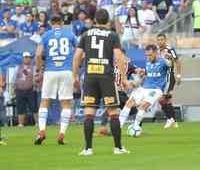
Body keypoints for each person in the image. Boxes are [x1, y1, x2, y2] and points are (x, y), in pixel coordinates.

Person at [73, 9, 129, 156]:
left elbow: (77, 56)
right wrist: (123, 78)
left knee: (89, 114)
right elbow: (119, 57)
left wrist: (74, 76)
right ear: (108, 21)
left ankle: (88, 149)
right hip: (106, 77)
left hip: (90, 77)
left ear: (95, 20)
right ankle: (118, 148)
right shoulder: (112, 35)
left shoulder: (85, 35)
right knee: (113, 113)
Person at [34, 14, 77, 145]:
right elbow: (81, 52)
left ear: (51, 23)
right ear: (62, 23)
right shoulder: (70, 34)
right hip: (66, 70)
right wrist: (74, 67)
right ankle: (62, 133)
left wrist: (39, 69)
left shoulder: (46, 35)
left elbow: (38, 54)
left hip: (50, 71)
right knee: (65, 103)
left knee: (45, 101)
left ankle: (41, 131)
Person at [119, 44, 171, 132]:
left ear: (155, 53)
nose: (148, 57)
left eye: (150, 55)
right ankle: (119, 126)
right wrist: (137, 82)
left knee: (143, 106)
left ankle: (136, 127)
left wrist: (170, 59)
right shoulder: (147, 62)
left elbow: (171, 65)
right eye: (147, 55)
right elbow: (146, 76)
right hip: (144, 88)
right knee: (129, 103)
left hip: (156, 90)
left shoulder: (163, 61)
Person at [157, 33, 182, 129]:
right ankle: (174, 121)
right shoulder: (157, 51)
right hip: (161, 78)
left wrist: (179, 75)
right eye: (158, 40)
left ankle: (169, 119)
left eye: (162, 40)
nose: (160, 42)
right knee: (167, 100)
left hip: (169, 76)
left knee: (161, 98)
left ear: (165, 40)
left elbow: (177, 61)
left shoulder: (170, 49)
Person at [14, 52, 37, 127]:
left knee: (34, 107)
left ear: (30, 58)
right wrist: (14, 89)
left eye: (28, 57)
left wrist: (35, 85)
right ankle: (21, 123)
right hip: (19, 90)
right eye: (25, 57)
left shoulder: (33, 68)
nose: (27, 59)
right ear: (23, 58)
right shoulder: (18, 67)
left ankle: (37, 122)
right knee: (20, 107)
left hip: (30, 90)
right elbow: (14, 79)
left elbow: (36, 78)